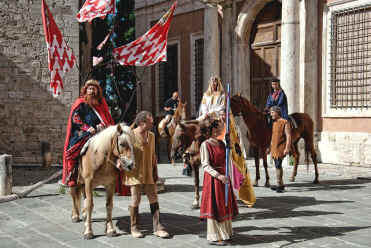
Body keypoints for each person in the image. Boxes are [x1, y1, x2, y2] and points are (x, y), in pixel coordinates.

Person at [198, 76, 256, 208]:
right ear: (209, 83)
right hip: (207, 120)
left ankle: (234, 181)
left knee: (226, 146)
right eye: (212, 82)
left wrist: (213, 113)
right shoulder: (205, 95)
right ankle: (188, 159)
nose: (214, 84)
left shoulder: (223, 96)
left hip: (219, 122)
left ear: (218, 84)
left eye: (216, 82)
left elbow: (223, 110)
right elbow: (203, 108)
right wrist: (205, 114)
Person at [123, 111, 169, 239]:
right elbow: (123, 154)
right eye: (150, 121)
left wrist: (155, 173)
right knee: (135, 199)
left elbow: (153, 156)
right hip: (134, 174)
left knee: (154, 197)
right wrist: (123, 163)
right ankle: (134, 227)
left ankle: (157, 227)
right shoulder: (130, 135)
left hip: (149, 172)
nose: (153, 123)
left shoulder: (152, 136)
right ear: (142, 123)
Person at [62, 79, 114, 187]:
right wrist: (87, 128)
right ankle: (72, 175)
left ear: (97, 91)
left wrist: (102, 125)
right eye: (89, 89)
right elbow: (75, 118)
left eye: (93, 89)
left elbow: (105, 120)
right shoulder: (81, 103)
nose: (91, 91)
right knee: (72, 150)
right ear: (85, 90)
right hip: (82, 131)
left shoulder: (100, 105)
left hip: (98, 132)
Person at [200, 117, 238, 246]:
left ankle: (226, 233)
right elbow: (205, 165)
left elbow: (227, 159)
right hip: (213, 180)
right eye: (216, 128)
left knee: (224, 206)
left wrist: (229, 145)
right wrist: (218, 176)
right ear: (211, 130)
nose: (219, 130)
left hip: (224, 178)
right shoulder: (205, 145)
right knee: (215, 207)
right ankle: (214, 237)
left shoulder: (222, 143)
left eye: (219, 128)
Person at [267, 106, 292, 193]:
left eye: (272, 112)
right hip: (274, 147)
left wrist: (287, 148)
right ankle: (281, 185)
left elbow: (288, 136)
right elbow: (273, 137)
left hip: (281, 147)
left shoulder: (285, 122)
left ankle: (279, 185)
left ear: (277, 112)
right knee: (277, 165)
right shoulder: (274, 123)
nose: (271, 114)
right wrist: (269, 147)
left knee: (278, 165)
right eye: (271, 113)